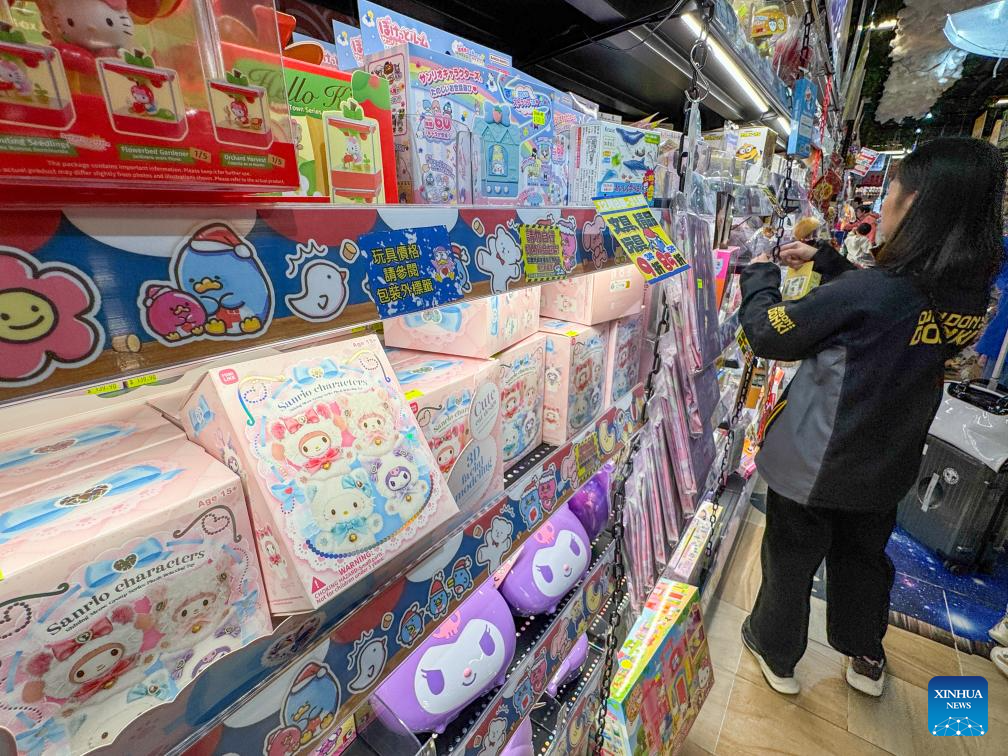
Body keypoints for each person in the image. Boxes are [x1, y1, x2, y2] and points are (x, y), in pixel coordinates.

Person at [737, 137, 1005, 698]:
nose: (881, 208)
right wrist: (829, 262)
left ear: (915, 205)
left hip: (817, 459)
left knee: (790, 557)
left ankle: (776, 652)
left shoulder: (874, 291)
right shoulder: (965, 294)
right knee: (862, 560)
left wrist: (758, 279)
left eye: (890, 196)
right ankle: (865, 656)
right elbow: (881, 318)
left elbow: (769, 334)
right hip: (888, 462)